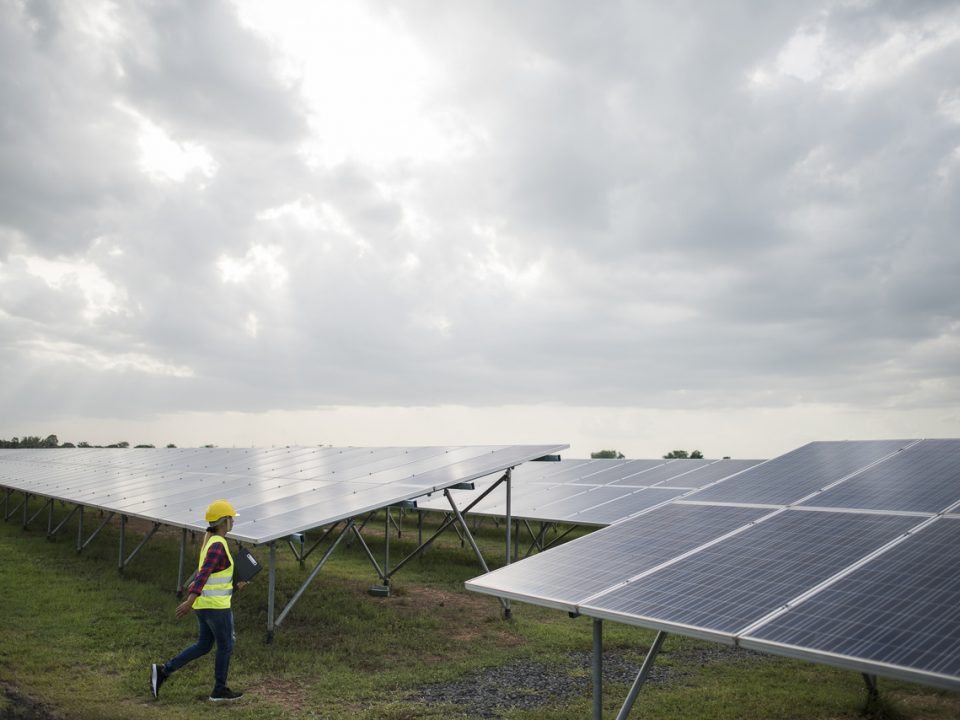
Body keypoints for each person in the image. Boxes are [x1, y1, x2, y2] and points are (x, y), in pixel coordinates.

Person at [151, 499, 246, 702]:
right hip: (214, 608)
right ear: (223, 521)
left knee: (204, 645)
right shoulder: (218, 545)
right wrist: (189, 601)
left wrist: (235, 585)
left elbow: (214, 577)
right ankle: (219, 690)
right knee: (226, 646)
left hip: (206, 606)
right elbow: (203, 574)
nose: (233, 522)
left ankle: (163, 670)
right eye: (231, 519)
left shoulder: (211, 540)